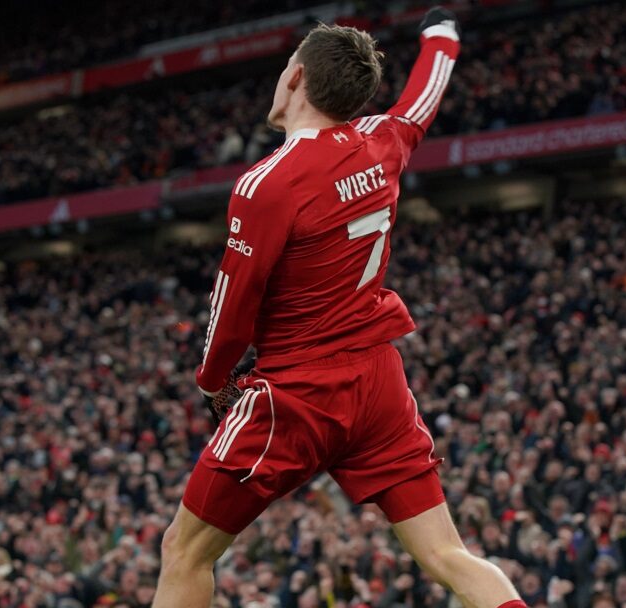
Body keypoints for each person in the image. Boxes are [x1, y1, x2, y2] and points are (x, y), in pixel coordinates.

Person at [152, 8, 527, 608]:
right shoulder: (381, 142)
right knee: (447, 555)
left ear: (296, 76)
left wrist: (212, 380)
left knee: (185, 550)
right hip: (378, 385)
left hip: (297, 393)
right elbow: (422, 99)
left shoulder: (267, 184)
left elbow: (232, 305)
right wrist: (441, 35)